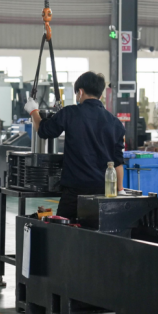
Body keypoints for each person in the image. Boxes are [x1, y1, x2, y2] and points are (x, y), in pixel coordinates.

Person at [24, 72, 126, 220]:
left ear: (80, 92)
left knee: (65, 229)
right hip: (103, 191)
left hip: (74, 192)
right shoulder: (115, 122)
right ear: (100, 94)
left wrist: (33, 111)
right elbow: (118, 162)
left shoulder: (70, 113)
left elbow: (44, 130)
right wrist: (120, 190)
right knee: (96, 228)